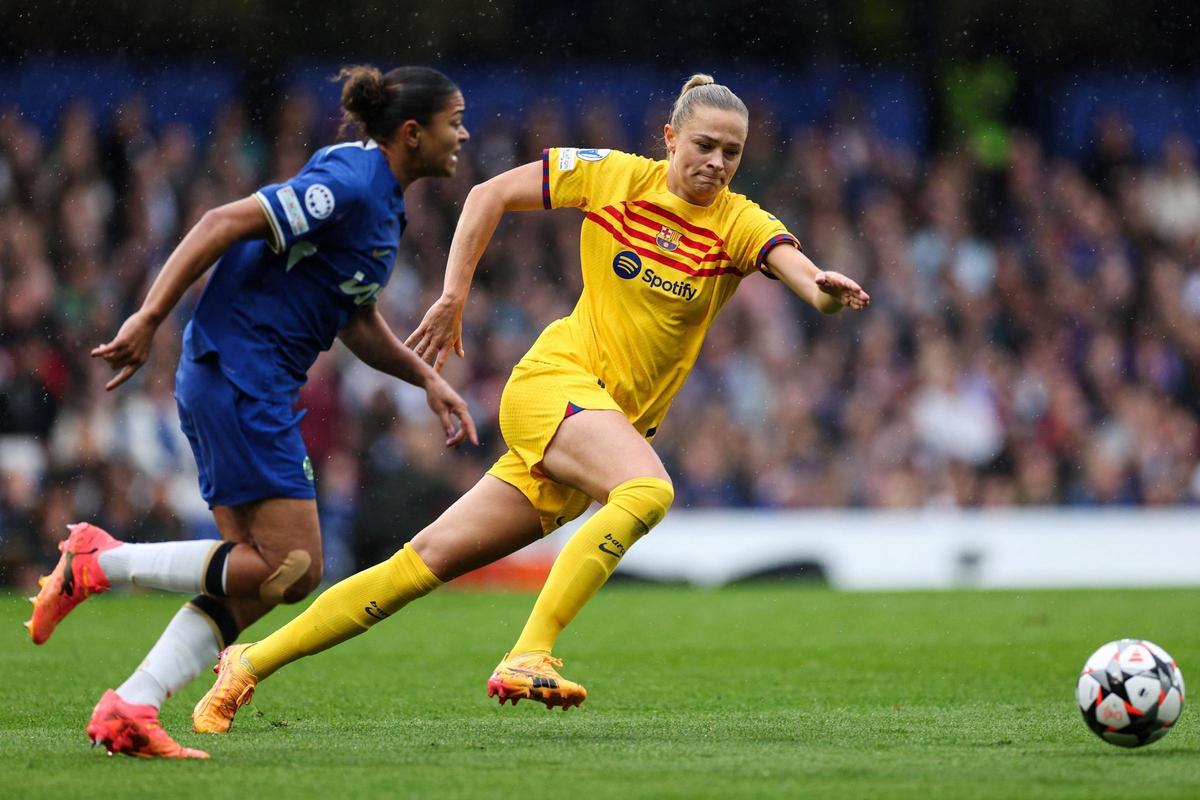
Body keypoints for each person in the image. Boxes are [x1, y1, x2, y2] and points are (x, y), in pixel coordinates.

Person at [191, 73, 870, 732]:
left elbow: (798, 272)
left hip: (593, 431)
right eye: (704, 146)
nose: (717, 163)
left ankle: (248, 662)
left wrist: (822, 290)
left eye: (732, 153)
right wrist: (455, 294)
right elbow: (488, 193)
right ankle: (529, 653)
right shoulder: (613, 176)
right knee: (646, 490)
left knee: (418, 565)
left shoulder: (738, 223)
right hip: (555, 385)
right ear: (670, 138)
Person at [25, 65, 477, 759]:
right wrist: (149, 316)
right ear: (411, 133)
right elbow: (224, 220)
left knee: (261, 580)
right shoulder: (353, 183)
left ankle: (132, 706)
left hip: (241, 378)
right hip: (242, 374)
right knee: (294, 566)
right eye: (454, 121)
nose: (464, 134)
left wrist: (425, 379)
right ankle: (98, 563)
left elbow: (352, 317)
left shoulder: (381, 198)